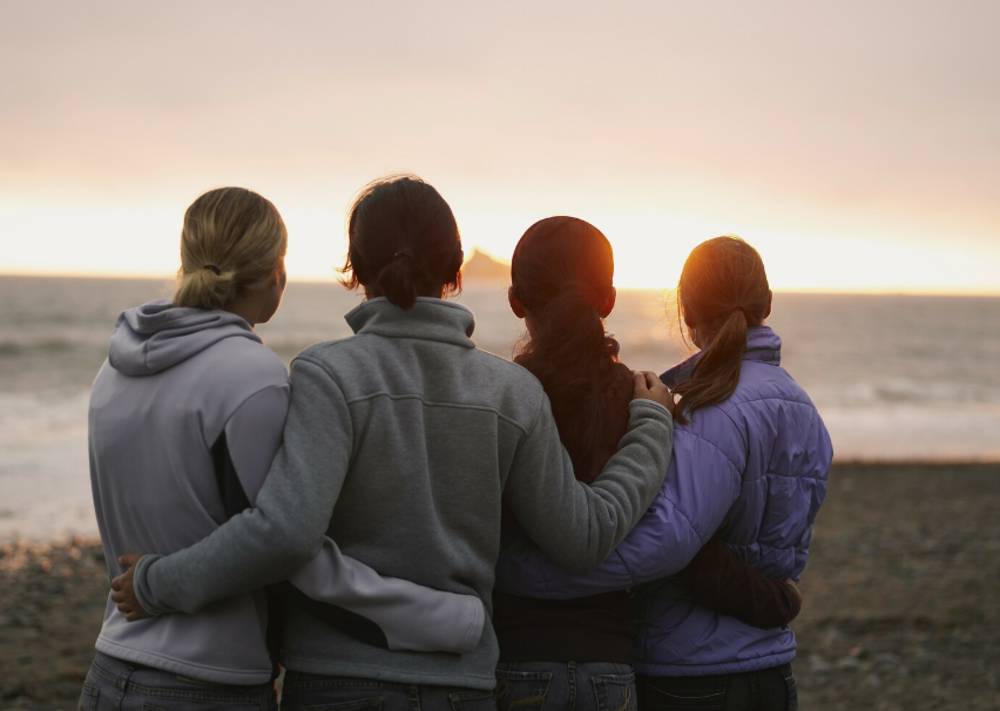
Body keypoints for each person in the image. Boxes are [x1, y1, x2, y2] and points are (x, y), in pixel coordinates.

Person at [109, 176, 677, 711]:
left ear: (355, 271)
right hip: (459, 683)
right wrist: (650, 423)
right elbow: (583, 536)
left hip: (333, 678)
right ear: (454, 272)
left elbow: (285, 529)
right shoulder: (511, 391)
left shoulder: (325, 374)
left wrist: (159, 582)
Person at [82, 187, 489, 711]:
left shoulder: (113, 369)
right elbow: (286, 543)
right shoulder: (250, 377)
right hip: (207, 680)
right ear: (275, 272)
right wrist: (445, 617)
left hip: (111, 668)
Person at [497, 235, 833, 711]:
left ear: (686, 309)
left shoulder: (713, 409)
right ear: (768, 302)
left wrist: (523, 574)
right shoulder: (804, 408)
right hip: (772, 668)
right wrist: (776, 600)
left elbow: (668, 543)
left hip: (693, 670)